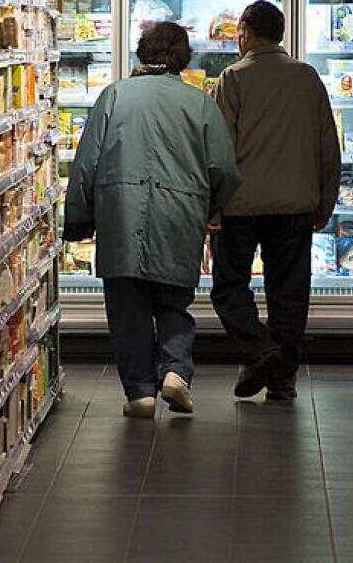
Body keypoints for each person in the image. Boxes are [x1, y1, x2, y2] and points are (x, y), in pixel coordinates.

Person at [63, 22, 241, 418]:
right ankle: (175, 371)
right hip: (180, 215)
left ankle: (140, 391)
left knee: (127, 308)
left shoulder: (114, 96)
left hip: (120, 214)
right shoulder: (200, 103)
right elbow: (224, 169)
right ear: (183, 57)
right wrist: (210, 209)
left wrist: (78, 221)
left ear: (142, 52)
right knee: (174, 302)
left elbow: (86, 165)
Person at [211, 1, 340, 401]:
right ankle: (280, 374)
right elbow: (327, 146)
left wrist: (212, 206)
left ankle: (261, 351)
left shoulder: (232, 79)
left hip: (240, 206)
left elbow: (219, 150)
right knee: (288, 292)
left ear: (246, 33)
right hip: (296, 204)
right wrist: (326, 201)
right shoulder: (306, 77)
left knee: (229, 287)